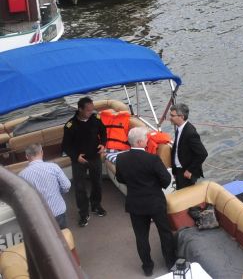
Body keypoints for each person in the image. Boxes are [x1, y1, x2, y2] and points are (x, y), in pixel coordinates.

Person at [115, 127, 177, 277]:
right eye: (146, 139)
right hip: (155, 202)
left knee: (141, 237)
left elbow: (120, 178)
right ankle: (170, 263)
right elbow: (166, 180)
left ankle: (148, 267)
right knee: (165, 233)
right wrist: (154, 185)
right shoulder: (152, 159)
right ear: (139, 142)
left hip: (135, 203)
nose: (148, 140)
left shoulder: (121, 158)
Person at [61, 96, 107, 227]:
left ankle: (96, 205)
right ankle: (83, 212)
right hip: (79, 159)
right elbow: (66, 146)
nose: (91, 112)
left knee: (97, 183)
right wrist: (76, 157)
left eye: (92, 109)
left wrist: (103, 144)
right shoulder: (70, 125)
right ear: (80, 109)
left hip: (94, 157)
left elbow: (103, 132)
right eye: (88, 110)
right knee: (80, 187)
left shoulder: (96, 119)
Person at [18, 143, 71, 229]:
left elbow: (23, 198)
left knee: (47, 237)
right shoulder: (54, 167)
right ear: (42, 152)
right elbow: (66, 185)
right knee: (62, 235)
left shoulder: (22, 175)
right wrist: (59, 192)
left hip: (39, 216)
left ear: (27, 156)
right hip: (58, 211)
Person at [169, 103, 207, 190]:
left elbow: (203, 154)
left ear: (181, 117)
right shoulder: (179, 129)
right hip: (179, 171)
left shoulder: (190, 133)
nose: (170, 118)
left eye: (172, 115)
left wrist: (189, 170)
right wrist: (175, 171)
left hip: (186, 174)